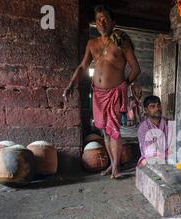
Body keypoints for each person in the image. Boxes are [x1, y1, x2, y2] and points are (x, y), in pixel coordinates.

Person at [63, 4, 141, 179]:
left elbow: (136, 68)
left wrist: (125, 84)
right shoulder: (92, 44)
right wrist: (71, 85)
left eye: (105, 19)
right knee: (105, 131)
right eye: (98, 20)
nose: (101, 22)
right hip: (97, 94)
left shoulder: (122, 41)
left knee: (114, 130)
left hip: (114, 93)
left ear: (113, 22)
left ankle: (115, 169)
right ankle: (112, 165)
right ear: (95, 23)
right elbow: (83, 66)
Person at [137, 96, 171, 167]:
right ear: (146, 110)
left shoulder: (168, 123)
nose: (157, 108)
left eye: (158, 105)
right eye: (152, 106)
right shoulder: (143, 128)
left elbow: (173, 145)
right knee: (146, 162)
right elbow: (149, 151)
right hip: (151, 158)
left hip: (168, 156)